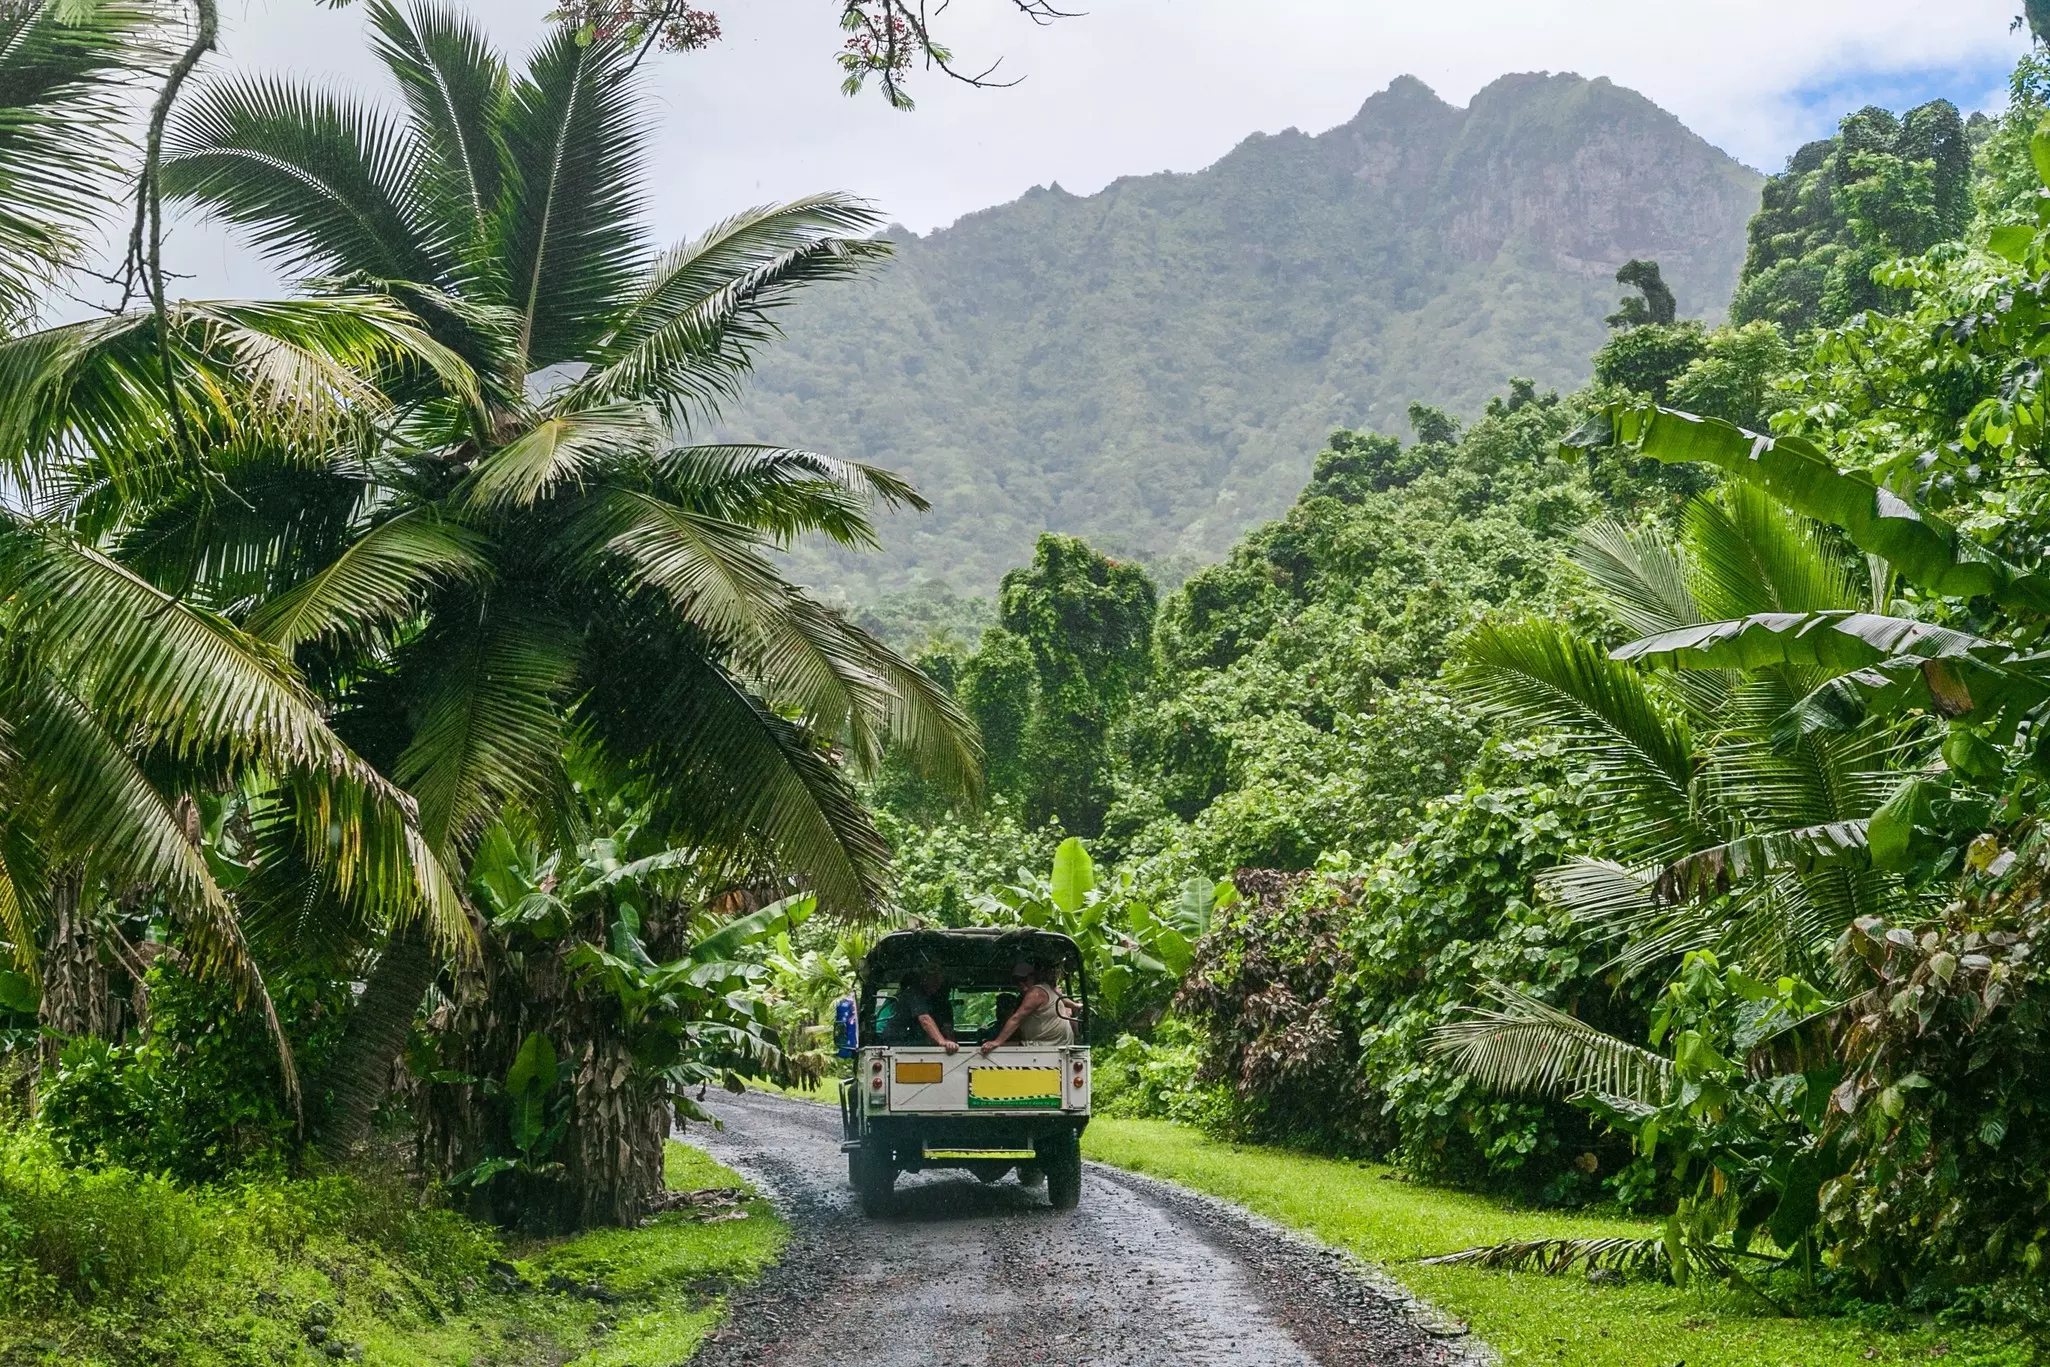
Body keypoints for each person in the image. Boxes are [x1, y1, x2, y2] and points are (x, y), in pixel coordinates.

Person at [980, 960, 1073, 1051]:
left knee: (998, 1048)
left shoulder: (1036, 992)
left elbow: (1016, 1018)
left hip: (1047, 1045)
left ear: (1033, 977)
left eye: (1023, 979)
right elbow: (1061, 998)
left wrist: (997, 1042)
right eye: (1016, 980)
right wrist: (1076, 1005)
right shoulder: (1048, 989)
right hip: (1055, 1043)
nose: (1021, 984)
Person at [895, 966, 958, 1053]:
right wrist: (942, 1041)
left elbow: (946, 1026)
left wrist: (952, 1043)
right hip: (897, 1042)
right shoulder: (914, 994)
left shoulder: (935, 1000)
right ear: (924, 979)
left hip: (912, 1039)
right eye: (934, 979)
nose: (937, 984)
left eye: (939, 980)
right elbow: (925, 1020)